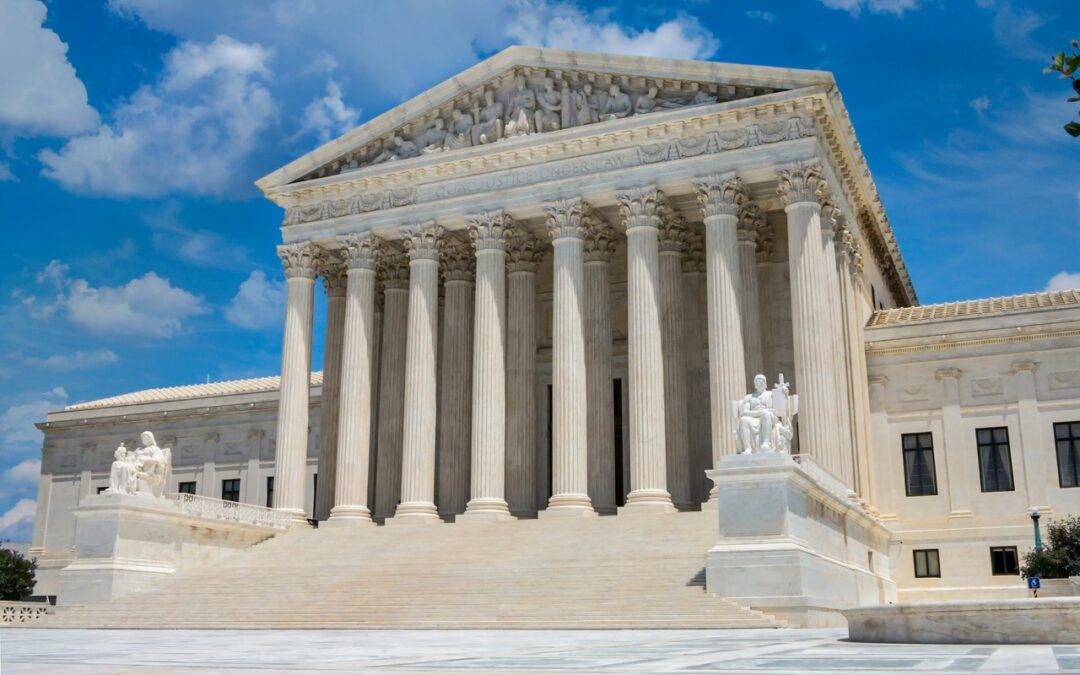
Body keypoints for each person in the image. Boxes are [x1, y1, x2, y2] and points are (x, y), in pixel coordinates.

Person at [737, 374, 778, 454]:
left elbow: (780, 403)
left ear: (765, 384)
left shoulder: (771, 394)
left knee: (766, 414)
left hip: (768, 417)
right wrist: (759, 412)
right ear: (755, 384)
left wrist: (784, 392)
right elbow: (744, 412)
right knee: (743, 420)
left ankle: (766, 442)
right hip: (753, 417)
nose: (759, 383)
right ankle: (747, 448)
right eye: (757, 381)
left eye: (762, 381)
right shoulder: (749, 397)